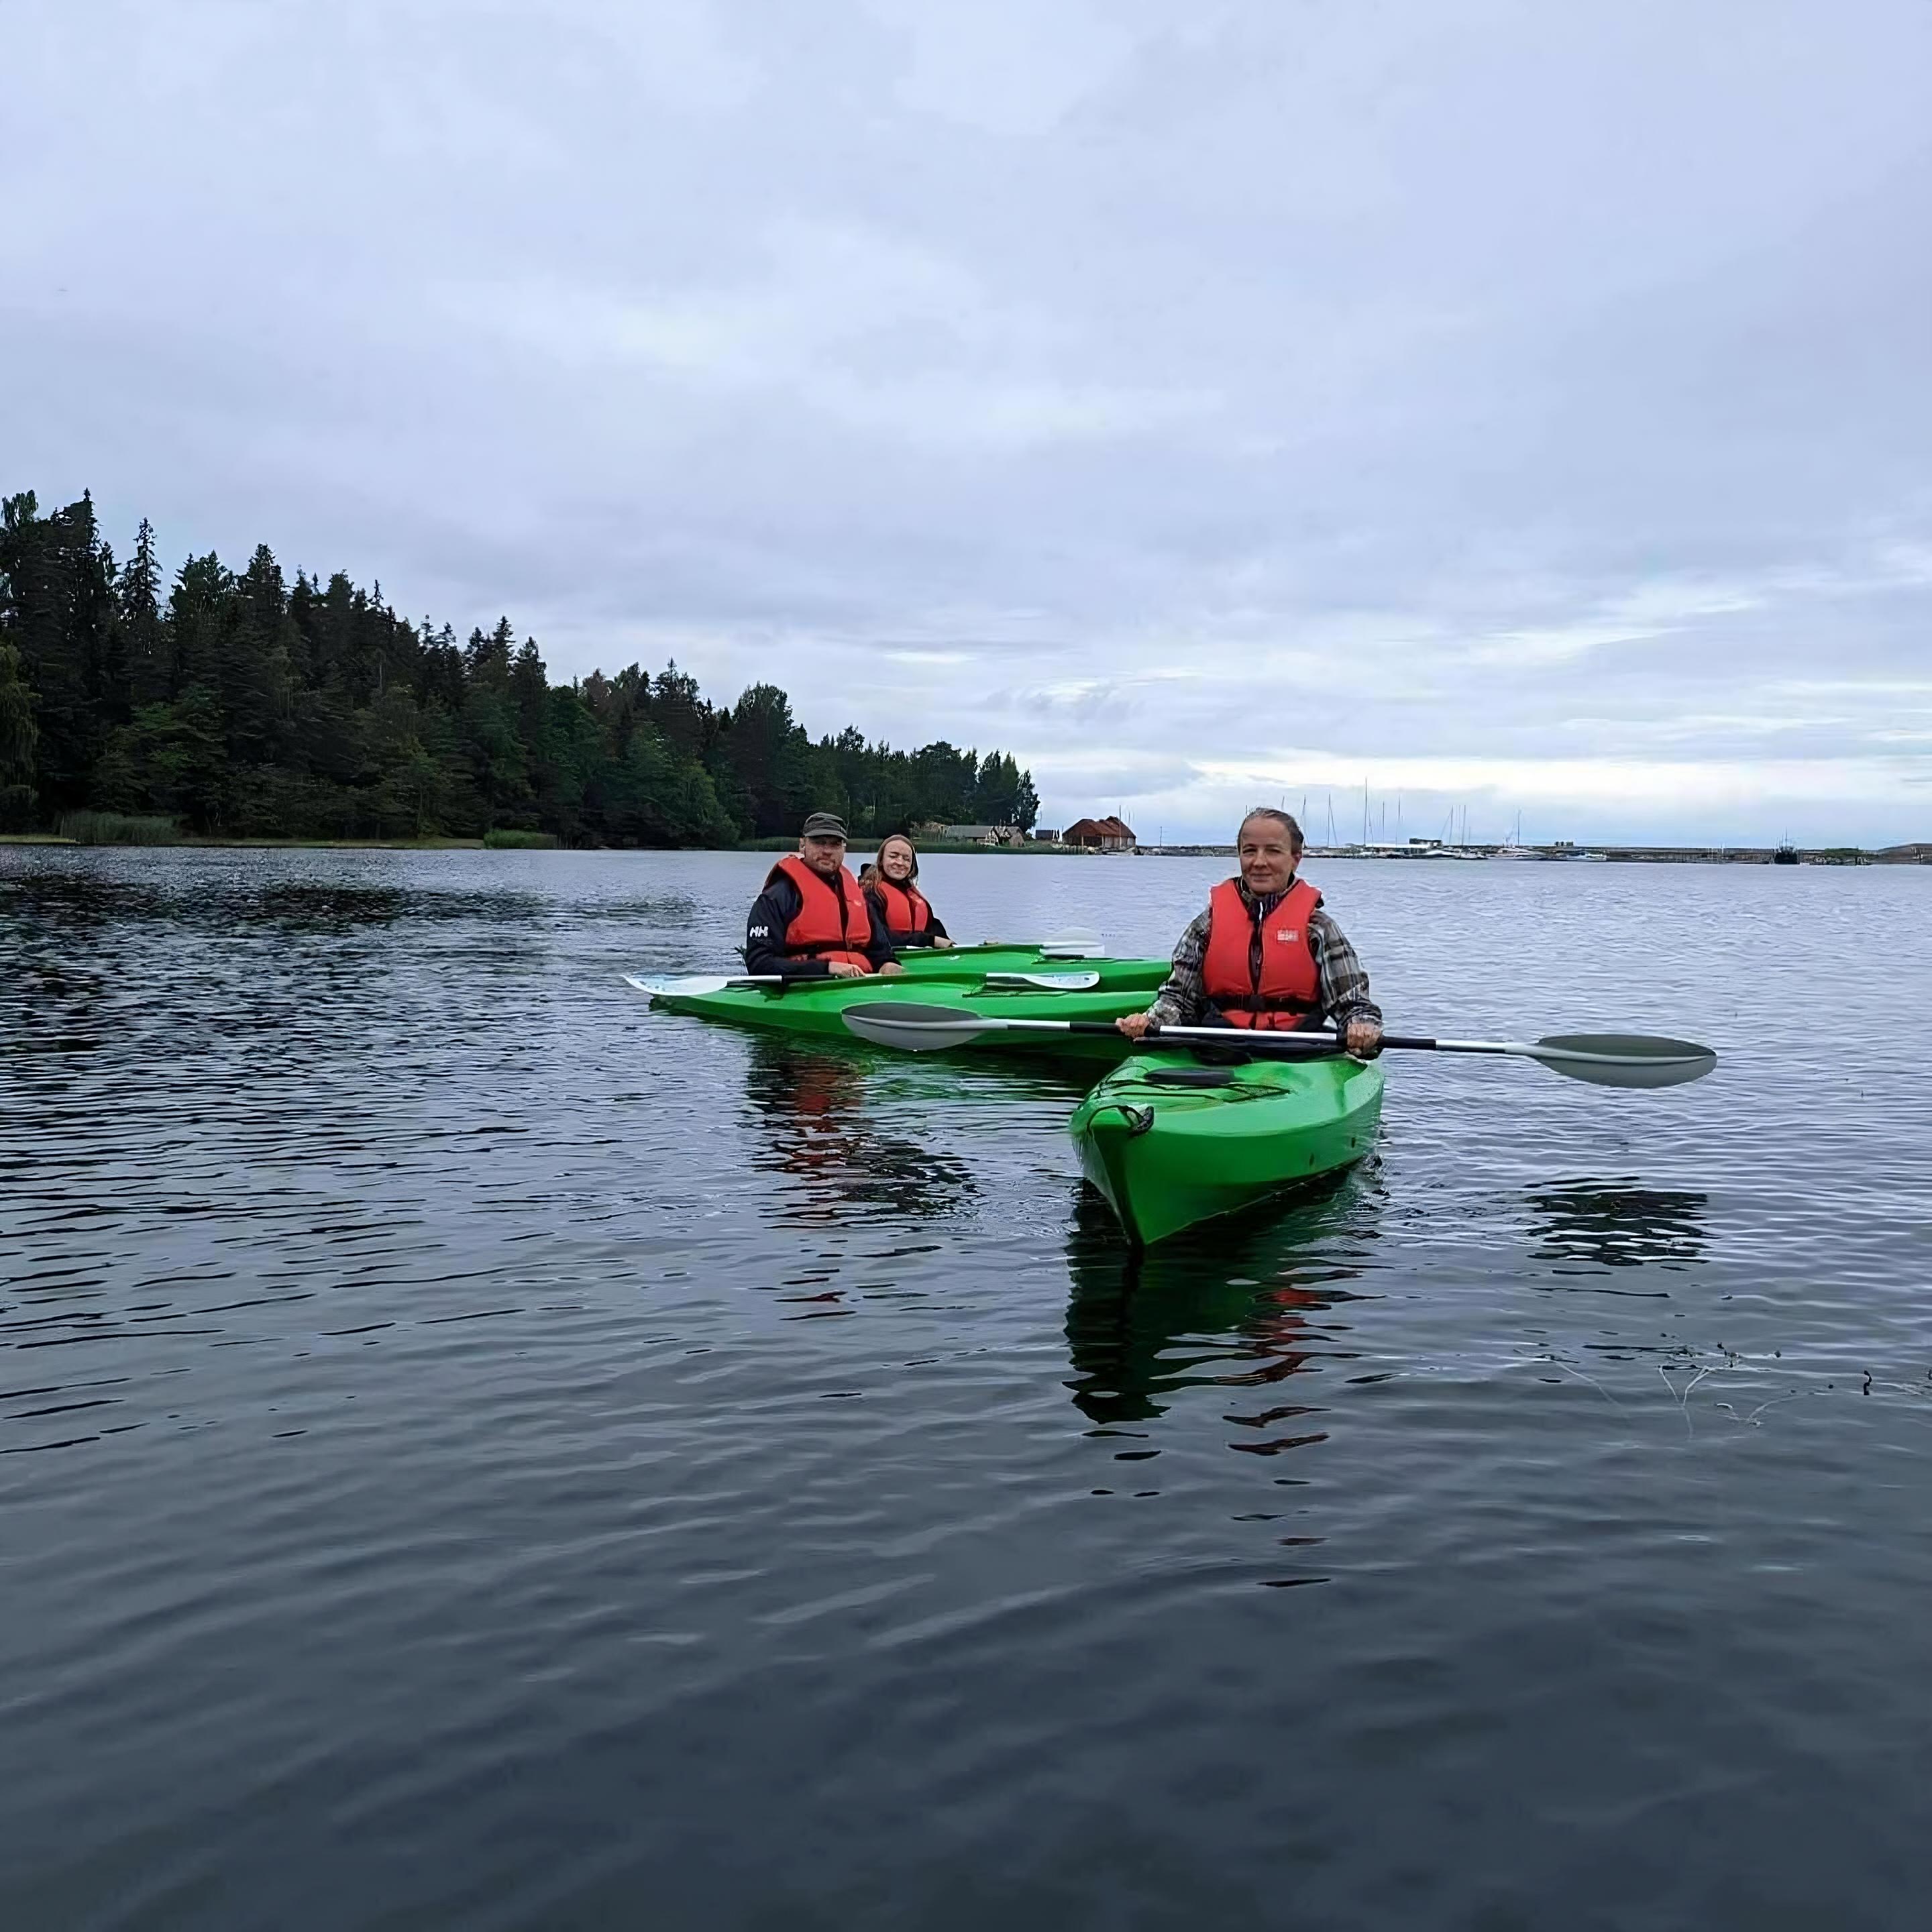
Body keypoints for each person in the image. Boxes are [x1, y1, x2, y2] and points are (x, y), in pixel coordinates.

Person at [1116, 807, 1383, 1053]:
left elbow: (1353, 1004)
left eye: (1273, 851)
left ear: (1296, 859)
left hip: (1297, 1051)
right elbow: (1179, 999)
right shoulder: (1207, 925)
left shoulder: (1319, 928)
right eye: (1249, 851)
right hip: (1218, 1047)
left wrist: (1361, 1027)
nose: (1259, 862)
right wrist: (1149, 1021)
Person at [745, 812, 906, 981]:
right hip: (806, 991)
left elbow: (879, 950)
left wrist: (887, 963)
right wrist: (826, 968)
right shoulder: (776, 897)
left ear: (844, 849)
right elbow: (759, 964)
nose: (827, 851)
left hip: (859, 986)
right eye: (819, 842)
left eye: (835, 844)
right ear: (802, 845)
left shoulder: (858, 896)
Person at [859, 833, 955, 949]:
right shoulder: (870, 892)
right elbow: (877, 936)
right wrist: (928, 940)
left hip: (917, 957)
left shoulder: (912, 893)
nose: (900, 863)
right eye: (893, 856)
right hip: (885, 959)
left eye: (906, 859)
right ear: (881, 860)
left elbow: (936, 933)